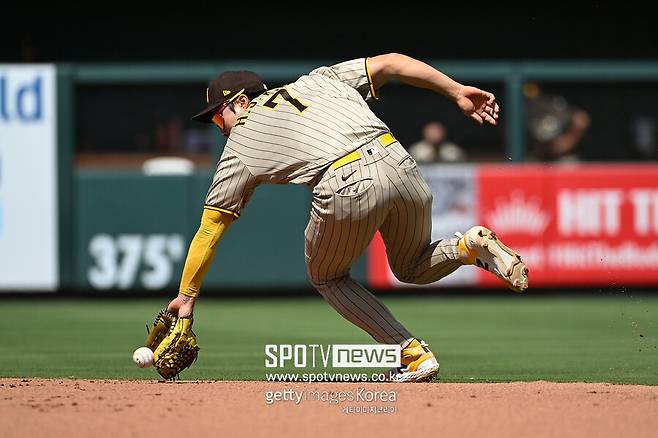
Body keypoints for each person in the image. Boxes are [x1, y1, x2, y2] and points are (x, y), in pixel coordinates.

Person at [147, 53, 528, 383]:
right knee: (410, 267)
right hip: (400, 160)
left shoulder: (242, 139)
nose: (220, 127)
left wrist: (187, 295)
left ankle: (410, 353)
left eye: (218, 118)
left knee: (327, 276)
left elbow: (210, 229)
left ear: (241, 102)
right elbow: (392, 63)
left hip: (346, 180)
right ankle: (468, 245)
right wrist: (455, 90)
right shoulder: (319, 78)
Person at [525, 83, 590, 162]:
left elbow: (581, 119)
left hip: (562, 156)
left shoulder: (554, 105)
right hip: (537, 155)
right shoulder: (522, 110)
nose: (531, 99)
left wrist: (567, 141)